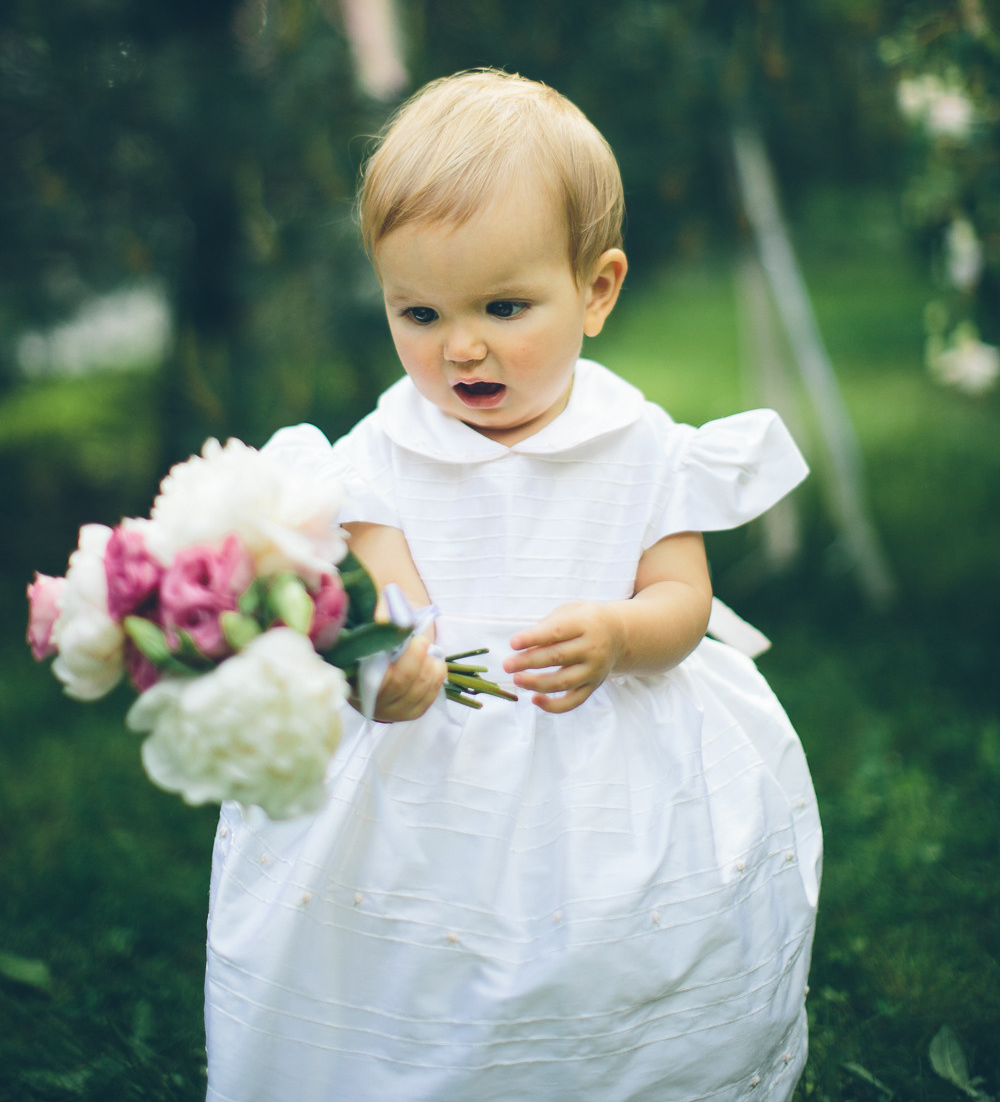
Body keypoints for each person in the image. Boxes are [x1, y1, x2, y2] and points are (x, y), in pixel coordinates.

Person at [205, 69, 821, 1101]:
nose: (461, 346)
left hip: (608, 759)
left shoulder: (640, 445)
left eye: (502, 305)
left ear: (596, 289)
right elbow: (380, 607)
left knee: (606, 963)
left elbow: (683, 605)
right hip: (429, 777)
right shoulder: (377, 454)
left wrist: (622, 634)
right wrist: (386, 668)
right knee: (414, 970)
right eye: (420, 311)